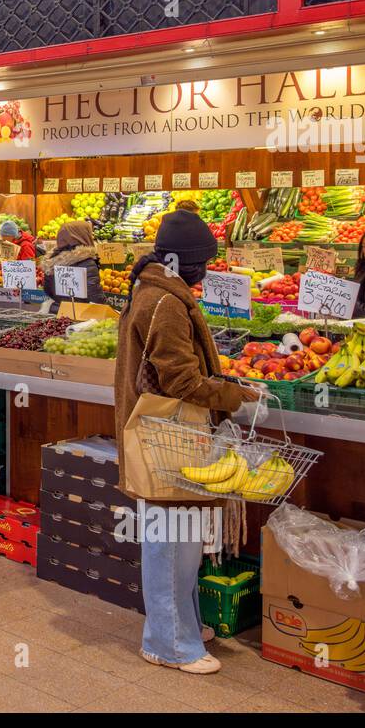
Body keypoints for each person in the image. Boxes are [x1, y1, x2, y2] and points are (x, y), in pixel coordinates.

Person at [114, 209, 260, 675]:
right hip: (167, 434)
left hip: (171, 433)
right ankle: (167, 643)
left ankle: (183, 624)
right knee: (171, 542)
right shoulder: (166, 304)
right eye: (201, 264)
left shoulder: (156, 292)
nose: (205, 273)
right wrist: (235, 396)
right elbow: (179, 380)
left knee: (183, 538)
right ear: (181, 263)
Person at [41, 221, 107, 305]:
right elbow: (96, 299)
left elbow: (48, 291)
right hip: (82, 314)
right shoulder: (86, 262)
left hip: (59, 311)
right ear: (83, 236)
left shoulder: (52, 259)